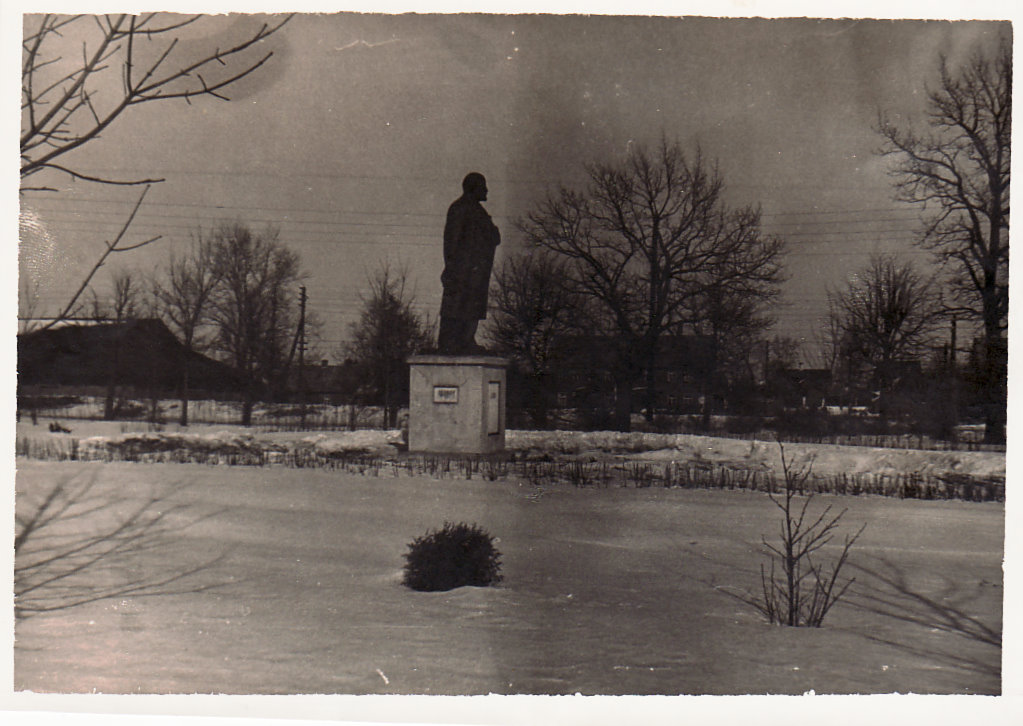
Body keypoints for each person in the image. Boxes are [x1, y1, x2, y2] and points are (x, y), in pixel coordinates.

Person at [438, 172, 500, 354]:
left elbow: (494, 237)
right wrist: (452, 267)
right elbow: (452, 241)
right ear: (474, 187)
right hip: (462, 271)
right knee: (456, 307)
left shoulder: (478, 211)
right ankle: (451, 342)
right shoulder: (459, 208)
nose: (487, 190)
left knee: (472, 307)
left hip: (476, 272)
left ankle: (466, 340)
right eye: (484, 186)